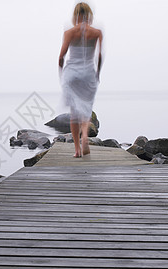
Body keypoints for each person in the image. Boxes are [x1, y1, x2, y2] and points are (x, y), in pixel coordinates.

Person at [58, 2, 103, 158]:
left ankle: (77, 150)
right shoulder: (96, 32)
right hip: (88, 73)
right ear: (89, 15)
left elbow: (61, 56)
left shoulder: (70, 32)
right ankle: (85, 136)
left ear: (75, 15)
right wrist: (98, 73)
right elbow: (99, 56)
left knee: (74, 113)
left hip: (72, 73)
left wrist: (61, 73)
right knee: (85, 109)